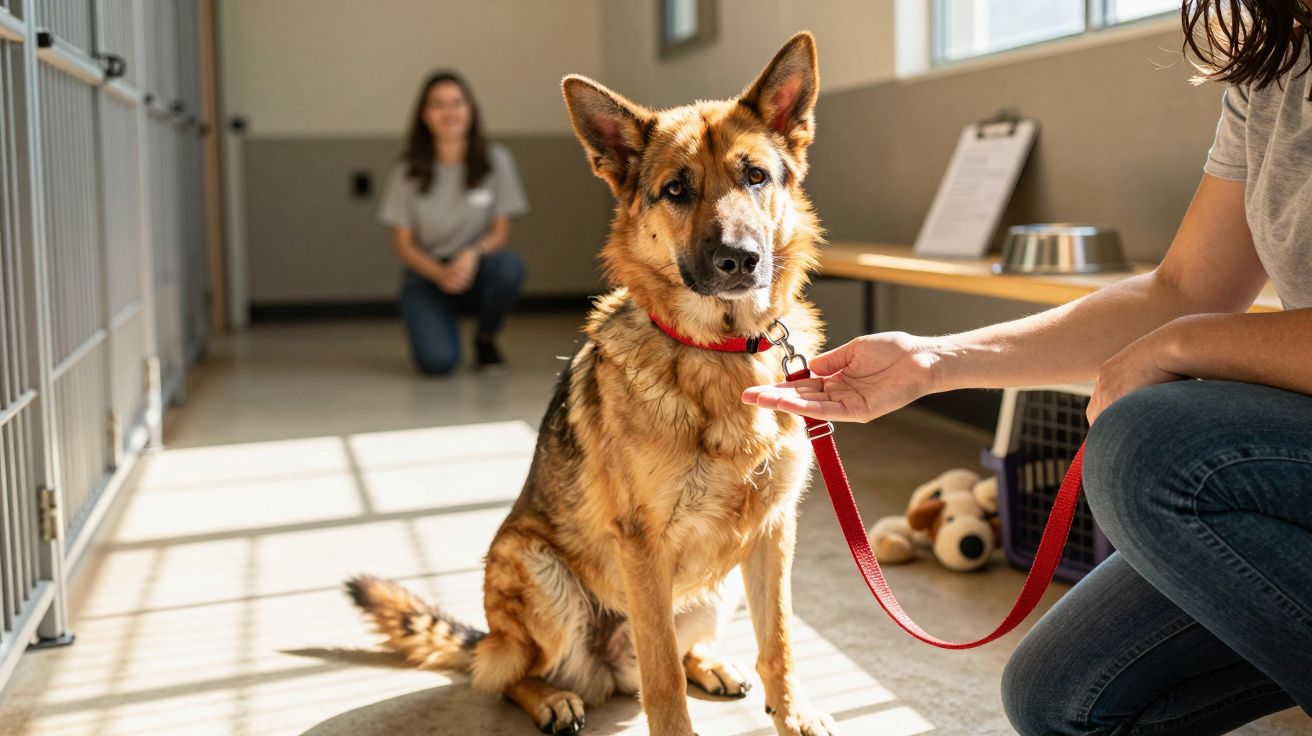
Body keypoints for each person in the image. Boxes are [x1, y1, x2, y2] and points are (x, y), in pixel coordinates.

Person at [743, 1, 1312, 733]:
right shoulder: (1273, 62)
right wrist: (931, 360)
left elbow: (1182, 322)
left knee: (1148, 448)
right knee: (1063, 699)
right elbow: (1181, 289)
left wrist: (1181, 345)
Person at [379, 71, 529, 375]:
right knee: (437, 364)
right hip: (427, 275)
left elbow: (500, 232)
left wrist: (472, 254)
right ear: (424, 115)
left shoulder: (496, 160)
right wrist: (439, 273)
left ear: (470, 110)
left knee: (509, 267)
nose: (449, 112)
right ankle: (437, 324)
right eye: (438, 104)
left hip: (477, 268)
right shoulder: (406, 169)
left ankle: (486, 338)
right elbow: (402, 244)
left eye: (457, 103)